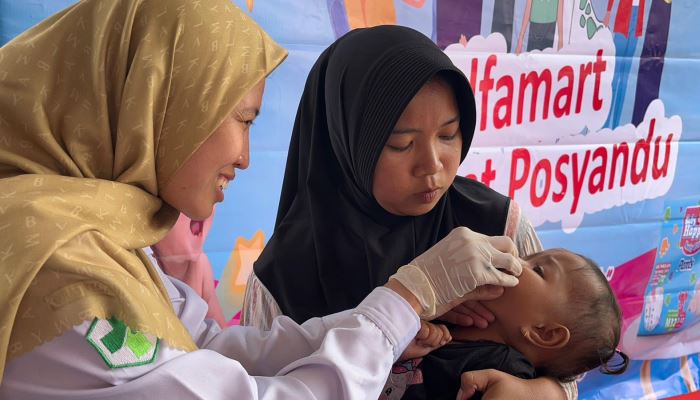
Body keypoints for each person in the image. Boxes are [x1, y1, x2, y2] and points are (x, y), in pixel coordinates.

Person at [0, 1, 524, 399]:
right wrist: (403, 302)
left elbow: (204, 343)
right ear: (153, 106)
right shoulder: (60, 272)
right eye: (243, 120)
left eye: (450, 134)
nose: (245, 157)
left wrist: (547, 389)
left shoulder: (96, 240)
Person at [243, 25, 577, 399]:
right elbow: (252, 386)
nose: (432, 164)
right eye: (402, 144)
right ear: (348, 144)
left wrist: (542, 392)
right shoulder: (285, 275)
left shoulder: (498, 226)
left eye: (448, 135)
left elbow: (567, 358)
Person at [395, 248, 629, 400]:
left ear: (544, 332)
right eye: (526, 256)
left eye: (537, 269)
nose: (514, 259)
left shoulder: (507, 372)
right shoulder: (450, 322)